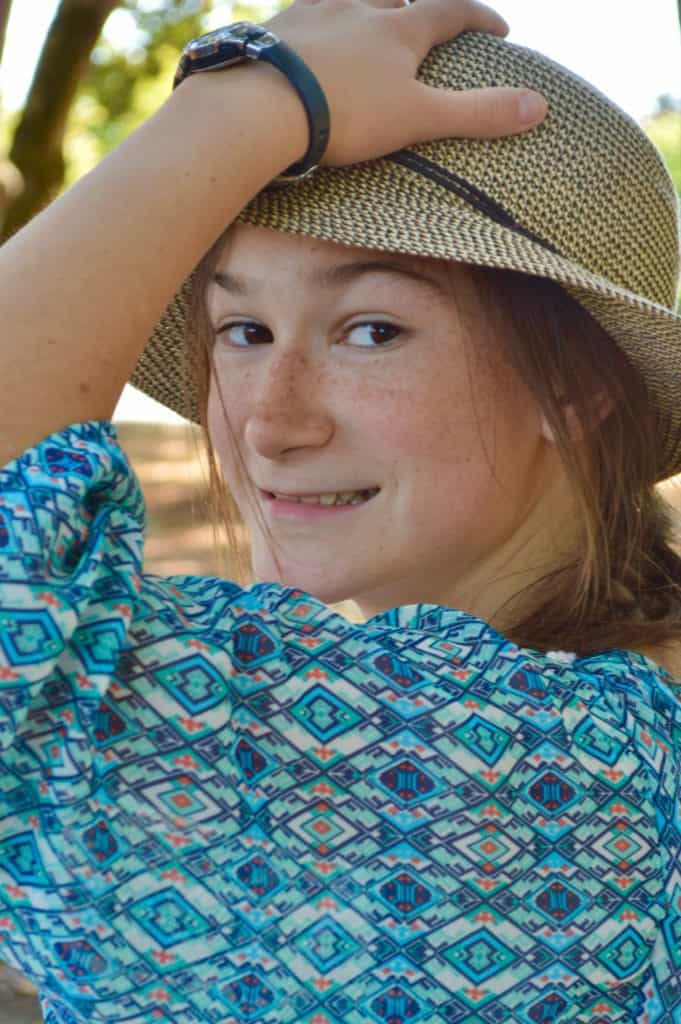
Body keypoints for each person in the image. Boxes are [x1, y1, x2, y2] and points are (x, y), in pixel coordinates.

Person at [0, 0, 679, 1021]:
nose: (270, 424)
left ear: (577, 391)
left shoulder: (559, 768)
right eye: (243, 328)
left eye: (371, 330)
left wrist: (250, 105)